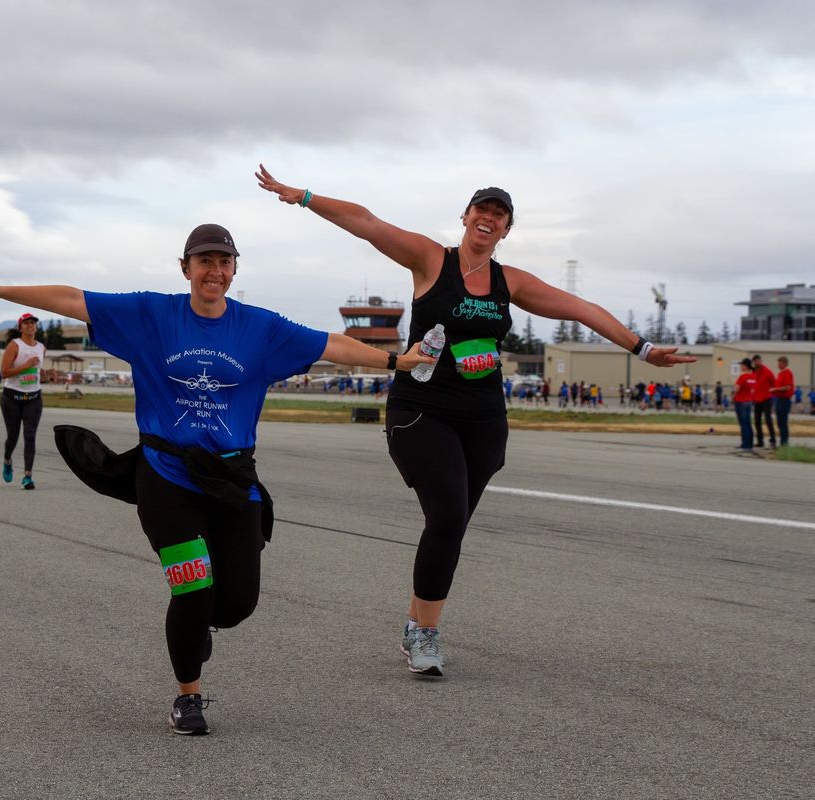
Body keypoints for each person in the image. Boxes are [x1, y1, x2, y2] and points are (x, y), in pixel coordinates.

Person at [0, 222, 432, 735]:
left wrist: (396, 362)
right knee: (193, 582)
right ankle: (188, 695)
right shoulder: (151, 315)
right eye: (204, 261)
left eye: (224, 262)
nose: (215, 271)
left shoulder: (259, 328)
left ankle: (199, 624)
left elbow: (331, 343)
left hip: (231, 477)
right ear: (186, 268)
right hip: (165, 476)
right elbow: (72, 298)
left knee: (238, 602)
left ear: (234, 270)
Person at [255, 165, 695, 678]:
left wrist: (640, 348)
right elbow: (367, 222)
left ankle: (416, 620)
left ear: (506, 231)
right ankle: (425, 633)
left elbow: (579, 308)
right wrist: (304, 196)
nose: (488, 218)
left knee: (453, 524)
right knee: (445, 515)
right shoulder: (429, 260)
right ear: (465, 217)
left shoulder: (512, 283)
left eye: (499, 215)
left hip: (483, 418)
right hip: (421, 409)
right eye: (481, 209)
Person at [0, 313, 46, 488]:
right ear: (21, 327)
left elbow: (37, 373)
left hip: (33, 398)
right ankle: (7, 459)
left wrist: (48, 375)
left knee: (30, 436)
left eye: (33, 323)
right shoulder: (15, 346)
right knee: (13, 436)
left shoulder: (41, 347)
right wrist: (26, 365)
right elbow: (5, 372)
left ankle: (28, 476)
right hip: (12, 398)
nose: (31, 325)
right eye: (27, 323)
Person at [750, 354, 776, 448]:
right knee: (757, 421)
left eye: (757, 361)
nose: (756, 363)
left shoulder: (767, 371)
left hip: (766, 399)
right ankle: (760, 441)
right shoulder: (755, 373)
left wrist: (771, 393)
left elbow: (774, 383)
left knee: (768, 420)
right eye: (754, 361)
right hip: (757, 400)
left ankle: (772, 440)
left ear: (760, 361)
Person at [732, 359, 757, 451]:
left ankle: (745, 444)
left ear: (745, 366)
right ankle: (749, 443)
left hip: (740, 401)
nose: (740, 367)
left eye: (742, 365)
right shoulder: (753, 377)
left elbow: (736, 388)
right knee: (748, 423)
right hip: (749, 401)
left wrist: (733, 395)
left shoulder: (743, 377)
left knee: (743, 424)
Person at [771, 356, 794, 447]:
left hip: (784, 400)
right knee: (780, 422)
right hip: (779, 399)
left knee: (783, 421)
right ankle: (782, 440)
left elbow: (788, 387)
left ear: (784, 363)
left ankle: (784, 442)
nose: (778, 365)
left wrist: (776, 389)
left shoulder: (787, 373)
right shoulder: (780, 374)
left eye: (779, 363)